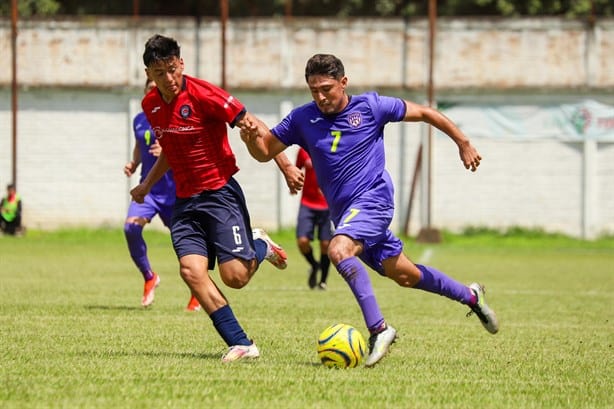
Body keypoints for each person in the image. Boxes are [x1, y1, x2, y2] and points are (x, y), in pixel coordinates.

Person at [239, 53, 499, 367]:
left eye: (327, 88)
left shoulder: (372, 107)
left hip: (373, 202)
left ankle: (379, 329)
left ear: (343, 83)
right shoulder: (301, 118)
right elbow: (265, 152)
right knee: (406, 275)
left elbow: (427, 113)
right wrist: (251, 140)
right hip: (346, 214)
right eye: (313, 90)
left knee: (338, 249)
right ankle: (472, 296)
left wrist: (463, 142)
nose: (320, 97)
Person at [130, 34, 302, 363]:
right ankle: (241, 343)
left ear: (180, 63)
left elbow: (254, 125)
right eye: (158, 72)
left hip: (220, 194)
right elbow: (170, 146)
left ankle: (259, 245)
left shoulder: (205, 94)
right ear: (148, 74)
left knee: (235, 277)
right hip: (185, 201)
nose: (167, 78)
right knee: (191, 271)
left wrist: (285, 165)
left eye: (171, 69)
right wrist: (147, 185)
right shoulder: (150, 105)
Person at [124, 78, 200, 311]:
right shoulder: (139, 119)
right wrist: (134, 163)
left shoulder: (175, 117)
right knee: (130, 228)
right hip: (149, 190)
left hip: (175, 192)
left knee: (186, 245)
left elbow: (191, 148)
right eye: (149, 90)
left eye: (156, 90)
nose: (152, 94)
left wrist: (168, 152)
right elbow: (139, 145)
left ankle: (198, 291)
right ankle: (149, 276)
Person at [293, 147, 332, 289]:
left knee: (325, 244)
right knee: (302, 241)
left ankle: (323, 281)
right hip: (307, 203)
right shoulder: (303, 150)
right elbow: (295, 170)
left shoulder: (331, 147)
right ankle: (315, 265)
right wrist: (293, 184)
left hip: (327, 204)